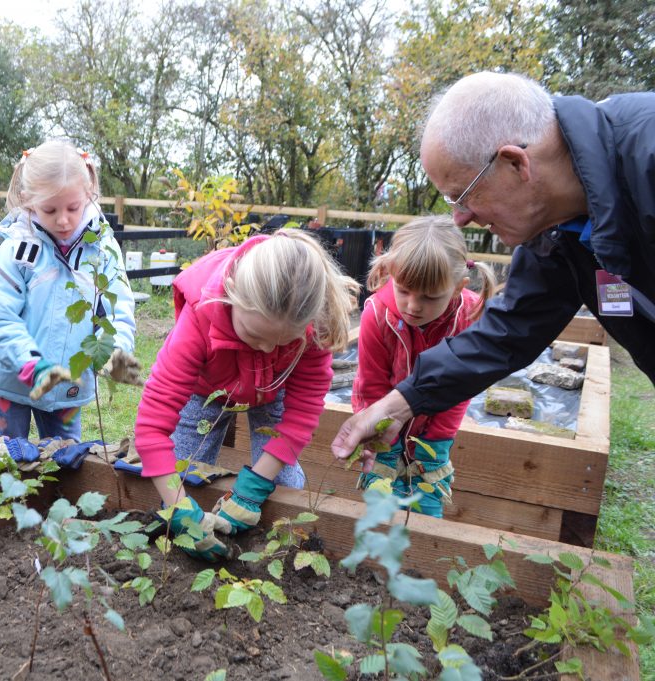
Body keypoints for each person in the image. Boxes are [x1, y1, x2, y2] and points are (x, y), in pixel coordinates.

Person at [331, 71, 655, 470]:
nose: (460, 219)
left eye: (462, 196)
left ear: (515, 163)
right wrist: (401, 404)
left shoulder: (647, 157)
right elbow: (508, 333)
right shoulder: (555, 234)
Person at [134, 230, 359, 560]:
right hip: (206, 388)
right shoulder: (200, 316)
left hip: (274, 388)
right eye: (255, 335)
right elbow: (152, 427)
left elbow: (302, 413)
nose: (268, 348)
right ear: (232, 295)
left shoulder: (316, 324)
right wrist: (180, 508)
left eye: (284, 342)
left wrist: (255, 486)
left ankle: (278, 550)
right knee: (183, 472)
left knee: (284, 484)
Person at [0, 140, 141, 441]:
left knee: (68, 461)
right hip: (12, 382)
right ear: (28, 200)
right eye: (50, 209)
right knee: (10, 460)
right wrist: (33, 366)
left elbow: (116, 309)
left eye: (73, 207)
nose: (63, 219)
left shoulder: (103, 251)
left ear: (89, 194)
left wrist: (116, 351)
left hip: (69, 387)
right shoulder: (16, 252)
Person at [351, 216, 497, 517]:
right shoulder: (377, 315)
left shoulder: (469, 318)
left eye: (430, 297)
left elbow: (459, 389)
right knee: (381, 510)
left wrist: (435, 446)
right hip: (381, 420)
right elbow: (371, 385)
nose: (413, 306)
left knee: (426, 505)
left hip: (436, 425)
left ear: (458, 288)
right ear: (391, 274)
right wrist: (384, 446)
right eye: (404, 290)